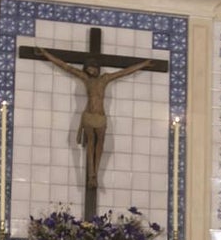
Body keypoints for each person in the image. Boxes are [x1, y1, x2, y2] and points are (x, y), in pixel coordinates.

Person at [36, 47, 158, 191]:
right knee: (91, 143)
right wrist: (46, 54)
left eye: (92, 68)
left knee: (100, 144)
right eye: (88, 69)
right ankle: (91, 175)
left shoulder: (105, 79)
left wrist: (143, 64)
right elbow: (65, 66)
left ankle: (95, 174)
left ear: (97, 68)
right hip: (88, 116)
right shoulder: (85, 79)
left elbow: (124, 72)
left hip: (100, 117)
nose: (90, 71)